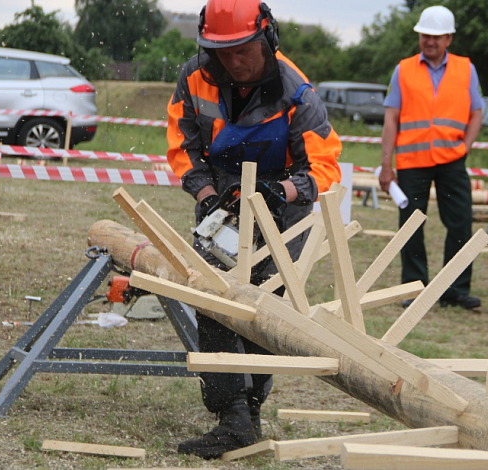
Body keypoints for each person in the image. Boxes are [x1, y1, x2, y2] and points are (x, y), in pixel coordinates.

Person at [166, 0, 341, 459]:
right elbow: (183, 148)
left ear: (267, 39)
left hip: (283, 204)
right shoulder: (193, 77)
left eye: (243, 50)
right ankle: (232, 415)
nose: (234, 62)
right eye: (223, 53)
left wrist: (281, 190)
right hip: (222, 196)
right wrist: (208, 197)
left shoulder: (296, 91)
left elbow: (324, 167)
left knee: (266, 308)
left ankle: (251, 411)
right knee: (213, 296)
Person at [379, 5, 484, 310]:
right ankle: (414, 286)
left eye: (437, 37)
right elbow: (391, 119)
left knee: (461, 222)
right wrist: (387, 166)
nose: (430, 41)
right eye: (426, 35)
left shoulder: (466, 68)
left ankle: (456, 288)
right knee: (410, 225)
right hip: (412, 162)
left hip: (452, 159)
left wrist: (465, 146)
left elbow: (476, 113)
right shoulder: (404, 69)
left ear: (449, 39)